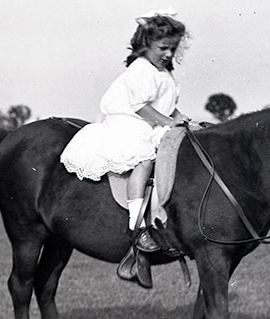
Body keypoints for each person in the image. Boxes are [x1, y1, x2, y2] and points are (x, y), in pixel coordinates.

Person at [60, 7, 191, 253]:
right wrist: (166, 121)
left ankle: (167, 217)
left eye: (172, 48)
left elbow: (165, 106)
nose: (168, 53)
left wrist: (179, 117)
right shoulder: (141, 69)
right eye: (163, 47)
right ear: (147, 43)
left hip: (152, 122)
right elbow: (141, 107)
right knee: (143, 161)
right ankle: (137, 226)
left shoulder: (163, 73)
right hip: (130, 123)